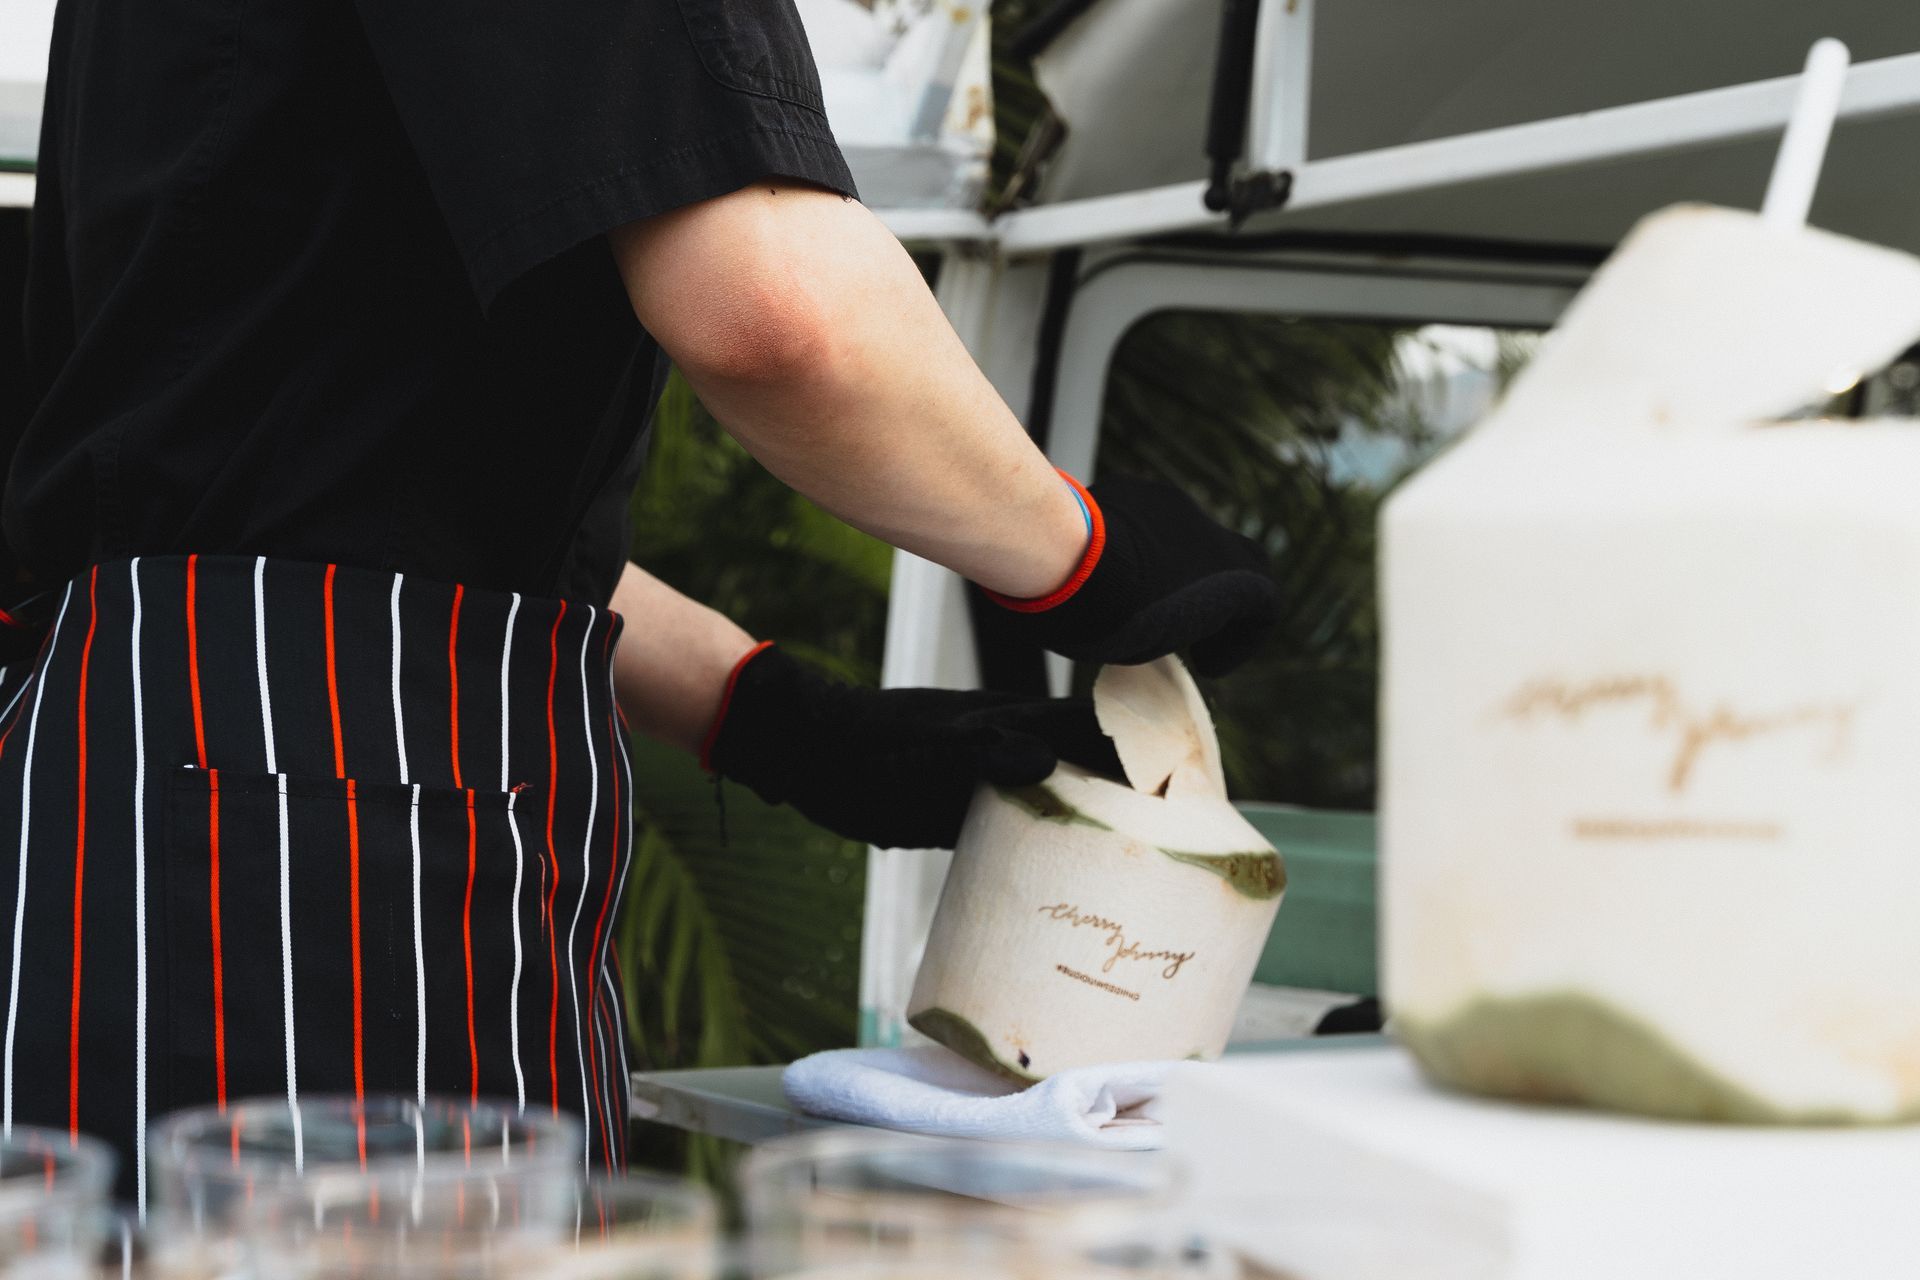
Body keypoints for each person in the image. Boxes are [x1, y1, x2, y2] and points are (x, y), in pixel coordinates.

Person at [8, 0, 1277, 1209]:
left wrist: (782, 719)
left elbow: (342, 487)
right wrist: (1087, 553)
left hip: (163, 776)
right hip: (300, 832)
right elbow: (772, 310)